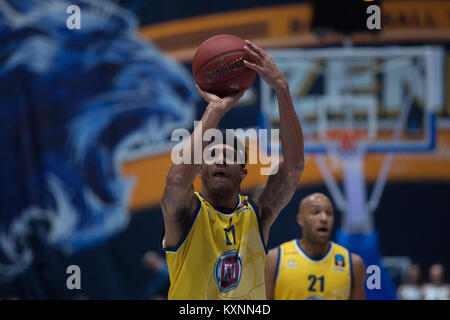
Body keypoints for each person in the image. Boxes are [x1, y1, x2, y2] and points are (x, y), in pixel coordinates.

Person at [160, 40, 304, 300]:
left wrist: (281, 89)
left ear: (243, 173)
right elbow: (177, 182)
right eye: (213, 154)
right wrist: (214, 112)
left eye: (230, 155)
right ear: (200, 169)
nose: (221, 159)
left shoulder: (258, 213)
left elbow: (293, 168)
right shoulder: (185, 213)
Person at [265, 193, 366, 300]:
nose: (324, 218)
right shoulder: (274, 259)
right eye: (315, 212)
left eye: (329, 213)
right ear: (300, 220)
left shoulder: (353, 264)